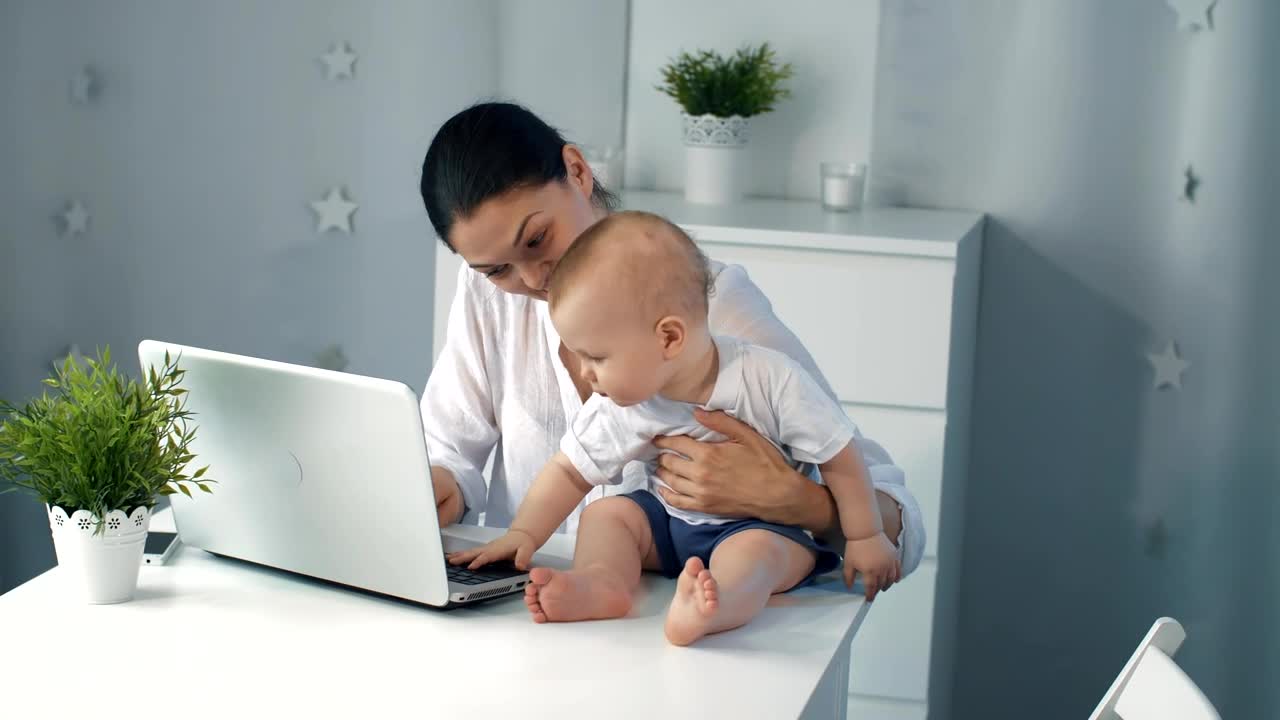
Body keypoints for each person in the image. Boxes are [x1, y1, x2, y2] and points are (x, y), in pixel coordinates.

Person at [419, 102, 925, 601]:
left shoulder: (710, 306)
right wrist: (438, 485)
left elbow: (901, 520)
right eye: (495, 270)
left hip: (682, 618)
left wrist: (802, 504)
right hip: (535, 605)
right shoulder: (488, 296)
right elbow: (451, 447)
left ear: (577, 171)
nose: (530, 280)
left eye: (536, 240)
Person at [447, 212, 902, 645]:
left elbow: (839, 453)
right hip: (668, 526)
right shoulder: (626, 403)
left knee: (757, 556)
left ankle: (716, 606)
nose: (585, 373)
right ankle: (604, 583)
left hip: (760, 528)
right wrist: (523, 535)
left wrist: (864, 535)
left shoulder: (769, 378)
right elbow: (569, 472)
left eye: (597, 358)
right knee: (609, 515)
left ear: (668, 337)